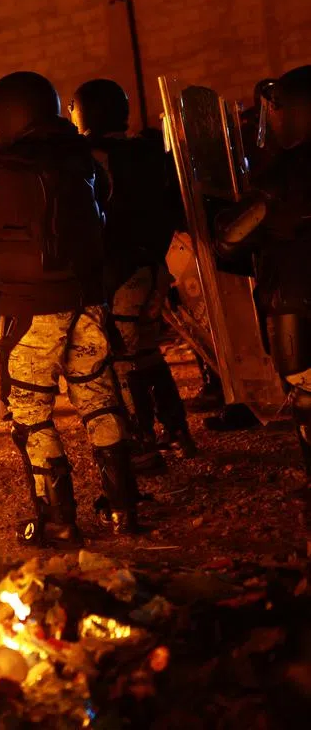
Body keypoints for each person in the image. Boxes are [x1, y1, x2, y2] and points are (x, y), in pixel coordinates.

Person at [0, 71, 138, 542]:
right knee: (99, 400)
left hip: (32, 309)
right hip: (89, 302)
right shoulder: (84, 161)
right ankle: (124, 508)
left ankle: (58, 519)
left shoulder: (8, 172)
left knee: (31, 412)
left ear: (9, 115)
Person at [69, 79, 197, 468]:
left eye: (74, 107)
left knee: (121, 357)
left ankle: (141, 441)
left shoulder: (94, 157)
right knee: (146, 350)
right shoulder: (149, 150)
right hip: (154, 266)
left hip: (121, 270)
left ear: (88, 111)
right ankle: (178, 432)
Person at [216, 65, 311, 526]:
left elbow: (232, 238)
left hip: (298, 299)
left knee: (308, 398)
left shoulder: (287, 174)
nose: (269, 120)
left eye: (274, 111)